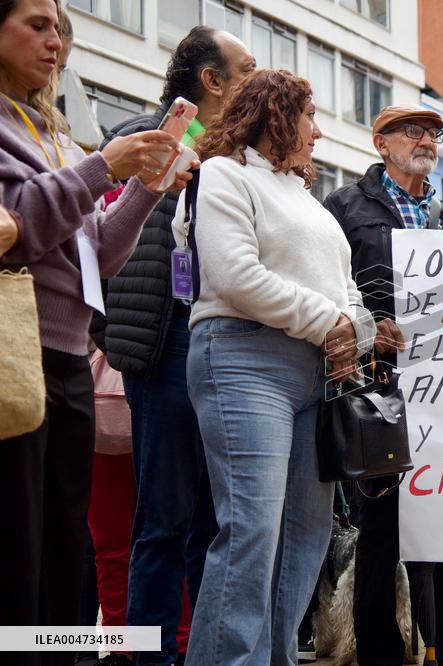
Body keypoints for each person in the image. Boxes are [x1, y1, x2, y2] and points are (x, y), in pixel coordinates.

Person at [0, 2, 192, 663]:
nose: (56, 41)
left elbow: (97, 255)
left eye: (61, 29)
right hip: (13, 359)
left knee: (62, 550)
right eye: (36, 25)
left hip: (67, 362)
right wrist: (104, 167)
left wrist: (148, 186)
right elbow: (17, 226)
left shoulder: (52, 135)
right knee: (21, 552)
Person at [178, 68, 373, 664]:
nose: (318, 132)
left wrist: (355, 332)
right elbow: (236, 277)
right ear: (277, 115)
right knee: (251, 533)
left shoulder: (307, 199)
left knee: (304, 540)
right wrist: (330, 323)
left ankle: (278, 657)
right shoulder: (223, 176)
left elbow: (350, 293)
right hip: (243, 358)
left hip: (317, 372)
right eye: (311, 116)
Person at [323, 105, 443, 666]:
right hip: (379, 385)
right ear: (380, 143)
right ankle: (382, 650)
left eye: (434, 133)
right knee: (383, 524)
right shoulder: (344, 207)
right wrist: (365, 328)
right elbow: (329, 281)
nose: (427, 141)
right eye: (414, 131)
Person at [90, 26, 255, 666]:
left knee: (216, 523)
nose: (255, 81)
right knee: (162, 518)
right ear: (211, 81)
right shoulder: (139, 140)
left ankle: (202, 652)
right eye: (244, 70)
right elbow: (105, 244)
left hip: (229, 349)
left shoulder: (241, 154)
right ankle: (151, 655)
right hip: (165, 348)